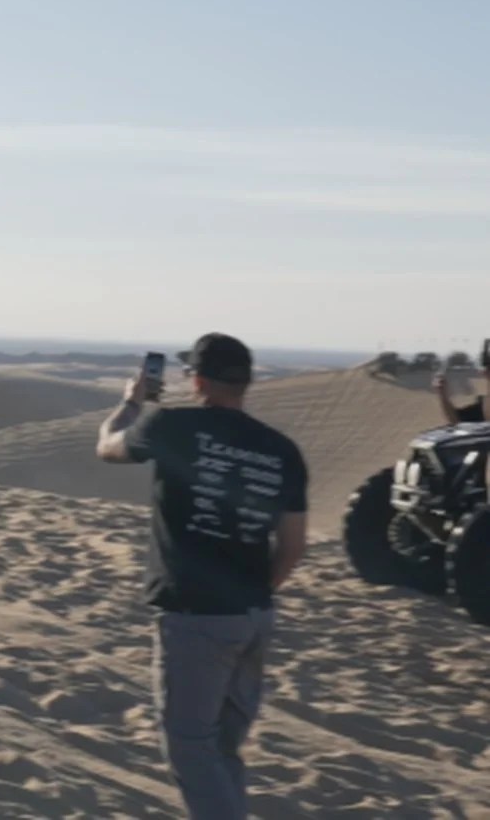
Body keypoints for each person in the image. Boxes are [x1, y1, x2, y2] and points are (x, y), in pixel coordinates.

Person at [96, 334, 308, 820]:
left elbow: (108, 447)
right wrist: (255, 594)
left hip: (196, 618)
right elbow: (293, 546)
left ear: (197, 380)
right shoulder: (282, 450)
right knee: (222, 749)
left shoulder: (171, 423)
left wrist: (130, 403)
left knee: (191, 749)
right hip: (254, 615)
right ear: (247, 382)